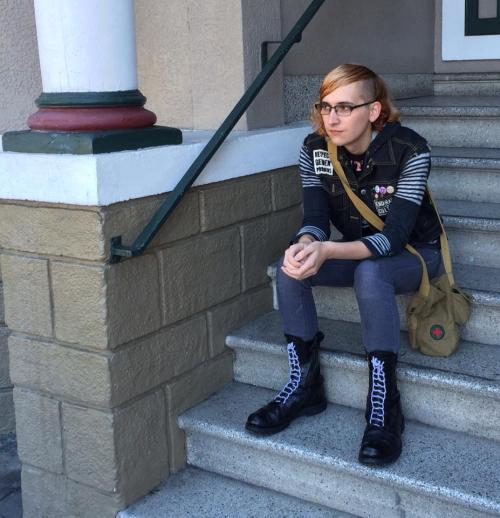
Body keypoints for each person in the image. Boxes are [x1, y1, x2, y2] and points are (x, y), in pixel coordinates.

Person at [245, 64, 442, 466]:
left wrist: (330, 251)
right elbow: (315, 220)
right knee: (291, 265)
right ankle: (305, 385)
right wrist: (305, 245)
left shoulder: (411, 150)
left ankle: (384, 402)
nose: (331, 118)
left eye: (345, 107)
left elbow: (394, 237)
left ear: (374, 111)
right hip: (357, 251)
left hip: (415, 255)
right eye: (326, 106)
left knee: (372, 270)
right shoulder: (314, 149)